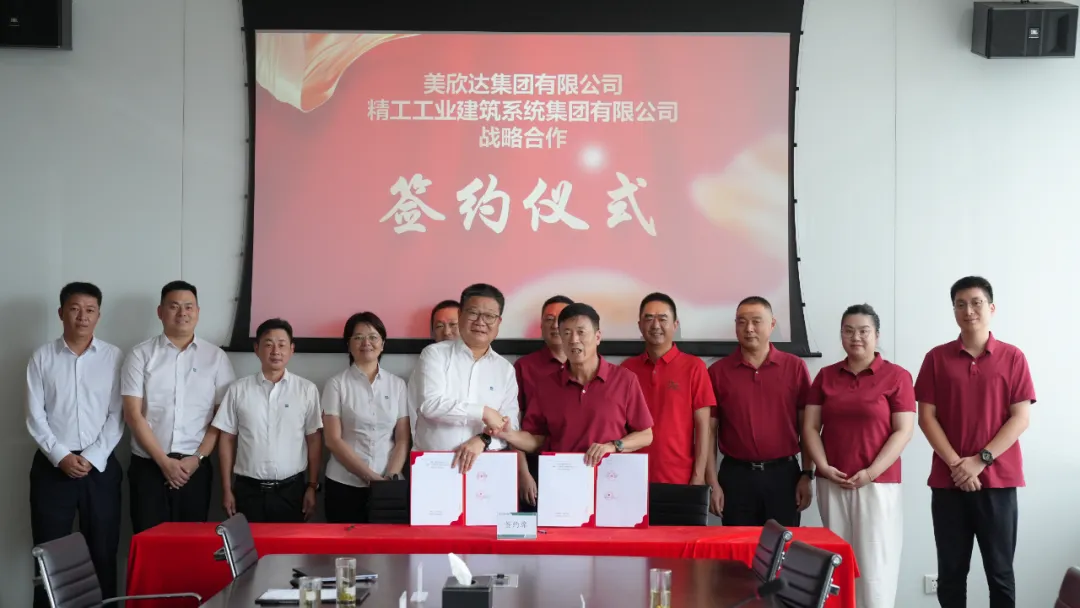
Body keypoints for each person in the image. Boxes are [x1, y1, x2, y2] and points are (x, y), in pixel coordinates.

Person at [915, 276, 1034, 608]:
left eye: (976, 303)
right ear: (953, 310)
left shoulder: (1013, 357)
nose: (968, 310)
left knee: (1000, 573)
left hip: (998, 482)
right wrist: (958, 465)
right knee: (951, 574)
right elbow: (926, 418)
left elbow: (1020, 418)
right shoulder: (936, 358)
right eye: (960, 304)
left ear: (991, 308)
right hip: (949, 482)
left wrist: (980, 460)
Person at [802, 304, 915, 608]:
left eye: (864, 331)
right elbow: (810, 427)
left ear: (877, 335)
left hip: (878, 485)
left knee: (875, 563)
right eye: (848, 331)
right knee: (835, 561)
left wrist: (871, 472)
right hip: (833, 481)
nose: (856, 337)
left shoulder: (897, 376)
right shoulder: (825, 376)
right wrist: (823, 466)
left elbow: (903, 431)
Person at [26, 282, 124, 606]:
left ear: (98, 315)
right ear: (61, 313)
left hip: (101, 468)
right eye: (75, 308)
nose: (83, 316)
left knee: (103, 552)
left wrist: (93, 457)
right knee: (49, 555)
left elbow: (118, 414)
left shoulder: (114, 357)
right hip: (53, 467)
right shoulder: (42, 357)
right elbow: (35, 417)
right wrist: (62, 457)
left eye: (90, 310)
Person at [122, 280, 235, 533]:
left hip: (195, 469)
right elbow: (133, 414)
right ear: (160, 312)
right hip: (149, 467)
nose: (182, 313)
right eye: (174, 306)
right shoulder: (140, 355)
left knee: (191, 544)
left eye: (188, 306)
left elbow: (221, 418)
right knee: (150, 540)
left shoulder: (216, 357)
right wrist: (164, 462)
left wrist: (197, 458)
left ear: (198, 312)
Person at [491, 303, 654, 465]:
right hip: (561, 475)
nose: (574, 340)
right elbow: (536, 441)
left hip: (609, 476)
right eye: (567, 333)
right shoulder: (546, 386)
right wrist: (509, 435)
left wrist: (613, 446)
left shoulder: (624, 380)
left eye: (581, 332)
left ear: (597, 337)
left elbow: (646, 435)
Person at [705, 296, 813, 526]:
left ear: (772, 324)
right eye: (742, 322)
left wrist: (807, 474)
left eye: (756, 321)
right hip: (736, 477)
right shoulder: (717, 372)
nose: (749, 328)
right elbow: (709, 433)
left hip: (784, 476)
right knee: (737, 546)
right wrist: (712, 481)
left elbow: (808, 427)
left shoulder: (794, 367)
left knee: (782, 545)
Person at [213, 318, 323, 523]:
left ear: (291, 349)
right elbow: (226, 439)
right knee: (248, 544)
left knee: (289, 544)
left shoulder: (306, 390)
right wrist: (227, 489)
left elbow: (314, 439)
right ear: (256, 348)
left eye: (282, 345)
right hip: (247, 491)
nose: (275, 351)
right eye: (268, 344)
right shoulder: (238, 389)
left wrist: (312, 486)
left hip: (292, 491)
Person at [409, 283, 519, 472]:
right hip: (434, 466)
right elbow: (430, 405)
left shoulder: (505, 370)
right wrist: (484, 412)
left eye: (489, 316)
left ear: (498, 322)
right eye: (473, 313)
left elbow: (510, 426)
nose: (480, 322)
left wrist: (483, 440)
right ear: (460, 315)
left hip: (484, 468)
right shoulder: (434, 354)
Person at [321, 312, 409, 523]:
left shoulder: (397, 385)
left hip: (389, 483)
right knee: (345, 543)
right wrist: (372, 479)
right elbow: (332, 440)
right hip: (344, 484)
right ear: (349, 345)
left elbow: (402, 438)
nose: (366, 343)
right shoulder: (336, 384)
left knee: (386, 544)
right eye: (358, 337)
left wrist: (389, 478)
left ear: (383, 344)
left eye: (373, 337)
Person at [622, 293, 715, 485]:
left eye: (662, 319)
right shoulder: (626, 369)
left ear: (675, 324)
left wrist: (698, 476)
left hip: (680, 478)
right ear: (640, 325)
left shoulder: (694, 367)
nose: (655, 325)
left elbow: (703, 427)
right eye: (649, 318)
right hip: (632, 477)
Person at [512, 294, 573, 510]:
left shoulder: (590, 367)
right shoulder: (524, 367)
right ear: (541, 325)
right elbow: (513, 424)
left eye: (561, 319)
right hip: (536, 465)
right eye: (549, 319)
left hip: (580, 463)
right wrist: (523, 473)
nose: (555, 325)